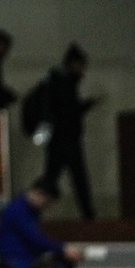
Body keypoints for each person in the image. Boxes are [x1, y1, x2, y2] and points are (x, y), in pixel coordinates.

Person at [38, 43, 97, 219]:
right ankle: (89, 216)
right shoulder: (64, 82)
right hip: (66, 137)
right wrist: (85, 105)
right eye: (81, 66)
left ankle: (35, 211)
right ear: (73, 63)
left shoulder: (54, 79)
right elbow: (68, 110)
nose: (82, 71)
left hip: (56, 137)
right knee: (77, 178)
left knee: (51, 177)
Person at [0, 181, 81, 268]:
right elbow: (34, 238)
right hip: (16, 257)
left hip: (26, 255)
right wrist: (62, 248)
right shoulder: (18, 210)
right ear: (39, 194)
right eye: (47, 202)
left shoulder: (29, 210)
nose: (47, 207)